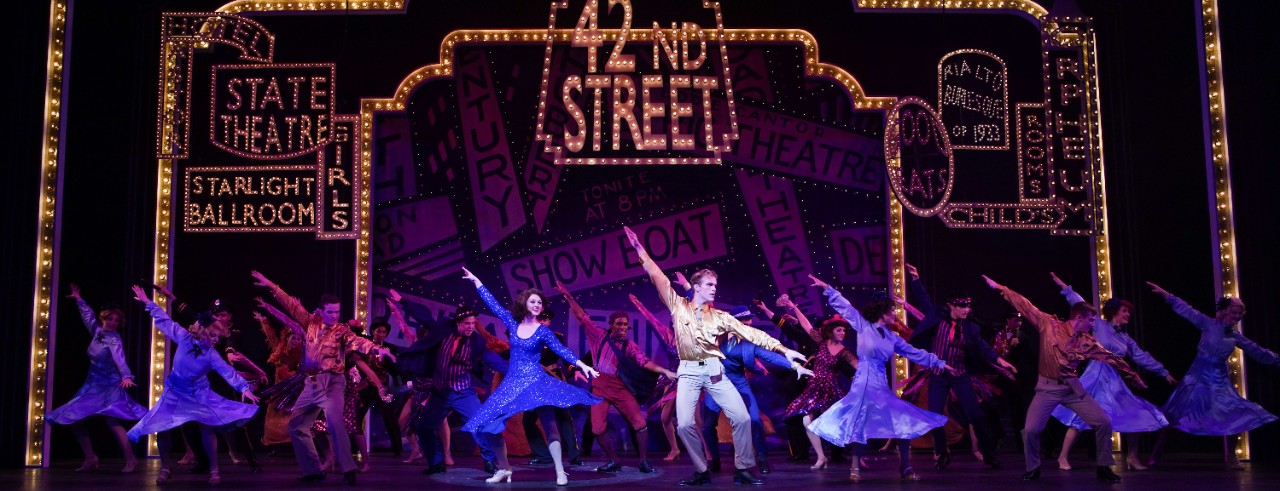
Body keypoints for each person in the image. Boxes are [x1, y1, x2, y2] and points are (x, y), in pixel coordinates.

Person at [622, 225, 806, 486]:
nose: (714, 288)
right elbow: (658, 277)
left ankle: (743, 468)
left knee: (742, 417)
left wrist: (787, 351)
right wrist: (639, 248)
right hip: (687, 370)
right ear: (695, 287)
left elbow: (755, 336)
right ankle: (701, 470)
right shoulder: (678, 306)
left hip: (714, 369)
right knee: (685, 424)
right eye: (709, 284)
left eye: (715, 284)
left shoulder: (720, 316)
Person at [982, 275, 1143, 483]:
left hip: (1073, 389)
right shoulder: (1049, 325)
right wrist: (1000, 287)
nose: (1093, 324)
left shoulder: (1087, 342)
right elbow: (1025, 304)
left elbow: (1111, 358)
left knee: (1103, 422)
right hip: (1047, 388)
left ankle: (1103, 467)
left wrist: (1133, 374)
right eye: (1090, 320)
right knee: (1030, 430)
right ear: (1079, 319)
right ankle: (1033, 468)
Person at [805, 276, 957, 482]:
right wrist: (829, 290)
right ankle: (855, 466)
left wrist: (938, 362)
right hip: (864, 380)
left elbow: (914, 352)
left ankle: (905, 466)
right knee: (860, 421)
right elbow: (846, 307)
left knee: (900, 420)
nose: (895, 314)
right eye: (892, 311)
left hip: (880, 382)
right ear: (882, 312)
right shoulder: (864, 326)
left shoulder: (892, 337)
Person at [459, 267, 602, 485]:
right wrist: (477, 281)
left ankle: (560, 471)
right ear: (524, 303)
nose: (537, 305)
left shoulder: (543, 331)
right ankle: (505, 468)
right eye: (533, 301)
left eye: (540, 303)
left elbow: (562, 351)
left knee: (550, 425)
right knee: (488, 424)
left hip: (536, 382)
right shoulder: (513, 323)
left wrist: (583, 365)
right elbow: (494, 306)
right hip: (513, 383)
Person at [250, 271, 395, 486]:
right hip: (311, 383)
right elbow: (290, 304)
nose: (334, 315)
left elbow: (358, 342)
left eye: (337, 312)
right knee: (296, 426)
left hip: (333, 384)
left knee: (336, 424)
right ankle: (313, 470)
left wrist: (377, 350)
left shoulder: (342, 331)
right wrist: (270, 284)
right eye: (330, 312)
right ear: (321, 310)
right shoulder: (310, 323)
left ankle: (348, 469)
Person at [125, 285, 260, 485]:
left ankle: (214, 469)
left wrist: (245, 388)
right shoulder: (184, 337)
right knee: (162, 427)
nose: (215, 341)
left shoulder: (212, 354)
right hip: (174, 391)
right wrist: (147, 301)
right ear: (202, 332)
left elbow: (227, 371)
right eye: (212, 336)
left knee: (207, 428)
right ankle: (165, 468)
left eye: (217, 337)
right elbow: (165, 321)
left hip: (199, 393)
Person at [1146, 281, 1279, 469]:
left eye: (1240, 314)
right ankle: (1156, 453)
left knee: (1230, 411)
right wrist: (1167, 295)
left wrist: (1276, 359)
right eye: (1234, 312)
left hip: (1218, 379)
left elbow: (1256, 350)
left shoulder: (1234, 336)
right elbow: (1188, 311)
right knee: (1175, 413)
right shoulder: (1208, 324)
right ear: (1225, 312)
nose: (1237, 317)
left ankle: (1232, 456)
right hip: (1197, 376)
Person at [1050, 273, 1175, 471]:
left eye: (1128, 312)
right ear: (1115, 311)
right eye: (1125, 311)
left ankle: (1132, 458)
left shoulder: (1125, 339)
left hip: (1114, 380)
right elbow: (1079, 302)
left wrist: (1163, 372)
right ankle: (1063, 457)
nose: (1128, 314)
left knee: (1135, 414)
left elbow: (1141, 356)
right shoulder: (1098, 324)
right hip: (1095, 376)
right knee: (1080, 418)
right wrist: (1065, 288)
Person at [554, 281, 676, 474]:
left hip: (619, 387)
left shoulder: (629, 346)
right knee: (597, 429)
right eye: (619, 324)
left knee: (640, 424)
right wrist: (567, 295)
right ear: (611, 325)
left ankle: (643, 461)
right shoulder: (598, 335)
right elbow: (581, 316)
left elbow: (643, 361)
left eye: (625, 325)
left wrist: (664, 371)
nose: (622, 327)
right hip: (600, 387)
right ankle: (613, 460)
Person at [906, 265, 1015, 469]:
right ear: (951, 306)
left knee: (976, 415)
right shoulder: (938, 321)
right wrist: (915, 278)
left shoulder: (970, 328)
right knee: (936, 416)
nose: (967, 309)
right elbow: (923, 299)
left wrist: (1000, 360)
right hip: (938, 375)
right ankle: (941, 453)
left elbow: (983, 348)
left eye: (968, 306)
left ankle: (989, 453)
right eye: (962, 306)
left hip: (960, 375)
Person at [702, 305, 815, 475]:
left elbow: (770, 355)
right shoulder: (717, 337)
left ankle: (762, 457)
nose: (749, 323)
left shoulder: (750, 342)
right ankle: (715, 461)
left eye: (749, 319)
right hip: (717, 383)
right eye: (744, 320)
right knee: (708, 425)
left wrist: (794, 366)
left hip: (739, 383)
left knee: (755, 420)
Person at [48, 284, 148, 473]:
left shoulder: (114, 339)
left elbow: (120, 358)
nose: (112, 322)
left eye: (116, 320)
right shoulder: (97, 331)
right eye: (110, 318)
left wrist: (126, 375)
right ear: (104, 317)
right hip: (91, 385)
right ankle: (91, 457)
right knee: (73, 417)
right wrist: (79, 299)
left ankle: (131, 459)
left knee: (112, 421)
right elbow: (88, 317)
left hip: (109, 385)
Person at [777, 298, 855, 471]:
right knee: (806, 421)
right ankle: (821, 457)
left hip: (831, 390)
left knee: (836, 424)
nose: (843, 333)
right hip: (814, 388)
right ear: (831, 331)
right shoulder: (821, 342)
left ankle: (854, 455)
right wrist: (793, 306)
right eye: (839, 330)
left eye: (844, 330)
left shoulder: (845, 352)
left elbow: (858, 367)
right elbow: (806, 325)